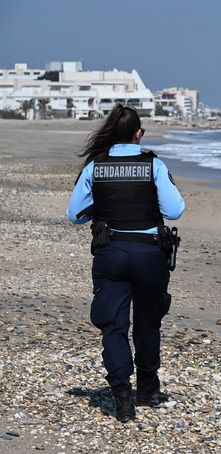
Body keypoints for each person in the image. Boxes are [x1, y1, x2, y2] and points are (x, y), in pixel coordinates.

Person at [66, 105, 185, 422]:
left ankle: (122, 397)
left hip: (112, 252)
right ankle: (146, 385)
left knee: (113, 326)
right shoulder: (152, 165)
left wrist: (102, 206)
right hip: (149, 253)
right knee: (148, 321)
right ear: (138, 134)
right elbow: (174, 210)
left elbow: (74, 214)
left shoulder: (96, 167)